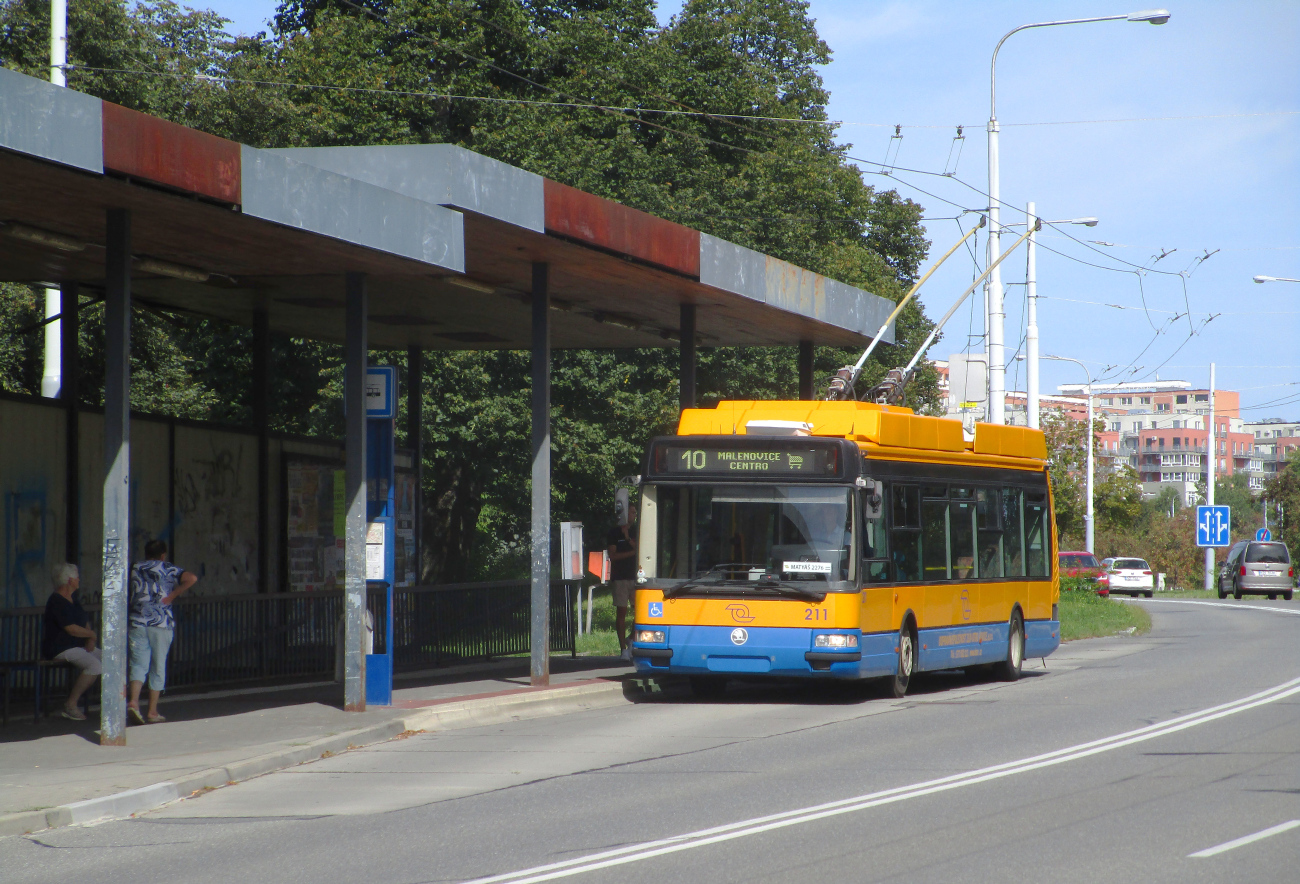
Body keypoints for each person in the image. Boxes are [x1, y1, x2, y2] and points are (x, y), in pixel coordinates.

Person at [127, 539, 197, 724]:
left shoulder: (135, 567)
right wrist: (173, 594)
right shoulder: (168, 568)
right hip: (161, 622)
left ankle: (133, 702)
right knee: (158, 667)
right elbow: (192, 578)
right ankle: (152, 711)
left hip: (138, 621)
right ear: (163, 555)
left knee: (138, 664)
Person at [41, 563, 101, 721]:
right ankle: (71, 704)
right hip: (60, 648)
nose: (79, 580)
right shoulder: (56, 601)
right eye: (77, 577)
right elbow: (71, 628)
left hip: (77, 646)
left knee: (110, 659)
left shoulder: (74, 599)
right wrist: (92, 635)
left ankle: (112, 700)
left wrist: (89, 637)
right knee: (94, 665)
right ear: (69, 580)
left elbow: (83, 621)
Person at [606, 513, 637, 662]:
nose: (633, 516)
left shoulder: (636, 530)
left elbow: (639, 548)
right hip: (620, 578)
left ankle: (631, 638)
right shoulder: (613, 532)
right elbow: (613, 556)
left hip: (637, 577)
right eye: (631, 512)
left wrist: (627, 537)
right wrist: (632, 553)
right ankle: (623, 649)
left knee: (641, 612)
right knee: (622, 612)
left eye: (635, 513)